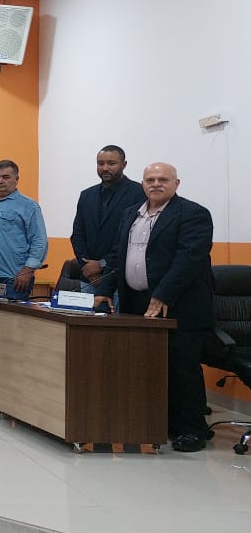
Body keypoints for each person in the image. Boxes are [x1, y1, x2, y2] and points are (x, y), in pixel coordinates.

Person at [96, 163, 214, 452]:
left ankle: (192, 430)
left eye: (163, 179)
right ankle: (161, 422)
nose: (156, 184)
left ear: (176, 183)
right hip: (137, 302)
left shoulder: (193, 214)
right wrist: (104, 290)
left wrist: (163, 296)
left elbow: (189, 259)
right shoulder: (131, 214)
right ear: (143, 183)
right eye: (150, 179)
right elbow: (118, 256)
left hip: (180, 305)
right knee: (147, 367)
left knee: (181, 368)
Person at [69, 145, 144, 290]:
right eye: (100, 163)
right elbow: (78, 235)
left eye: (111, 163)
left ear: (124, 165)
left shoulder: (139, 193)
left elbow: (134, 237)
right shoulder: (87, 195)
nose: (105, 168)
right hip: (88, 278)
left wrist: (102, 264)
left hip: (120, 277)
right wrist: (88, 268)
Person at [0, 160, 48, 301]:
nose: (0, 181)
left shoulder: (29, 206)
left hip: (13, 278)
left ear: (16, 179)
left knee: (9, 316)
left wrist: (28, 269)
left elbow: (39, 241)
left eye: (6, 177)